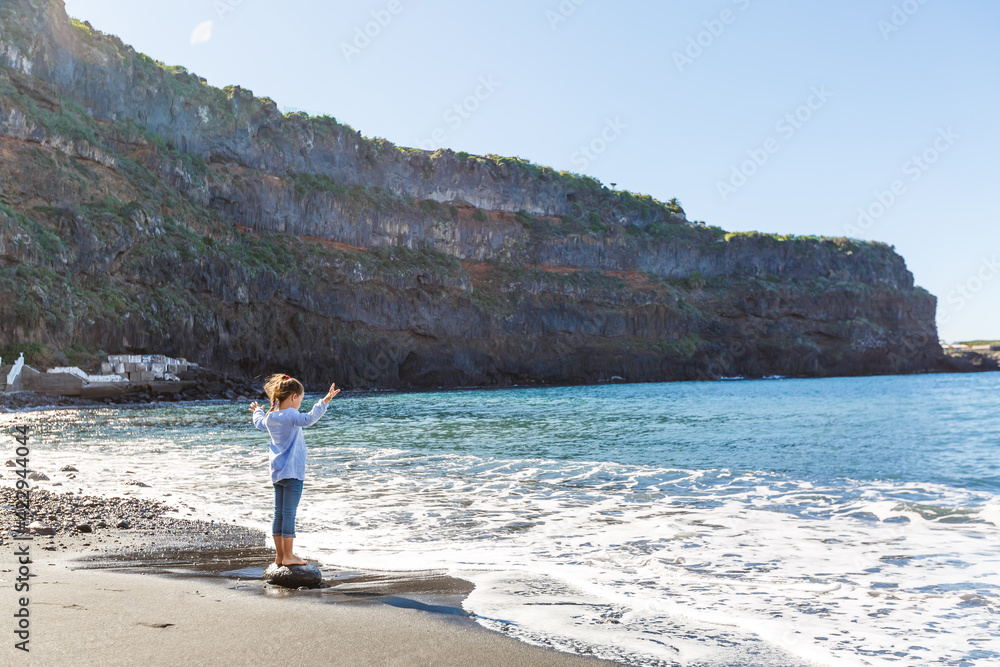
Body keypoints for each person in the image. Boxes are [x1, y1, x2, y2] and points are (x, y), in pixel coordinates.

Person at [250, 373, 340, 567]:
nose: (300, 402)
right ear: (293, 397)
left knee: (279, 514)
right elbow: (308, 419)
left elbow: (259, 423)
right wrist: (325, 401)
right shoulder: (291, 415)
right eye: (301, 398)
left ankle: (280, 556)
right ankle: (289, 555)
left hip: (277, 473)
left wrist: (257, 410)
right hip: (293, 473)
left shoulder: (271, 416)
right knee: (289, 514)